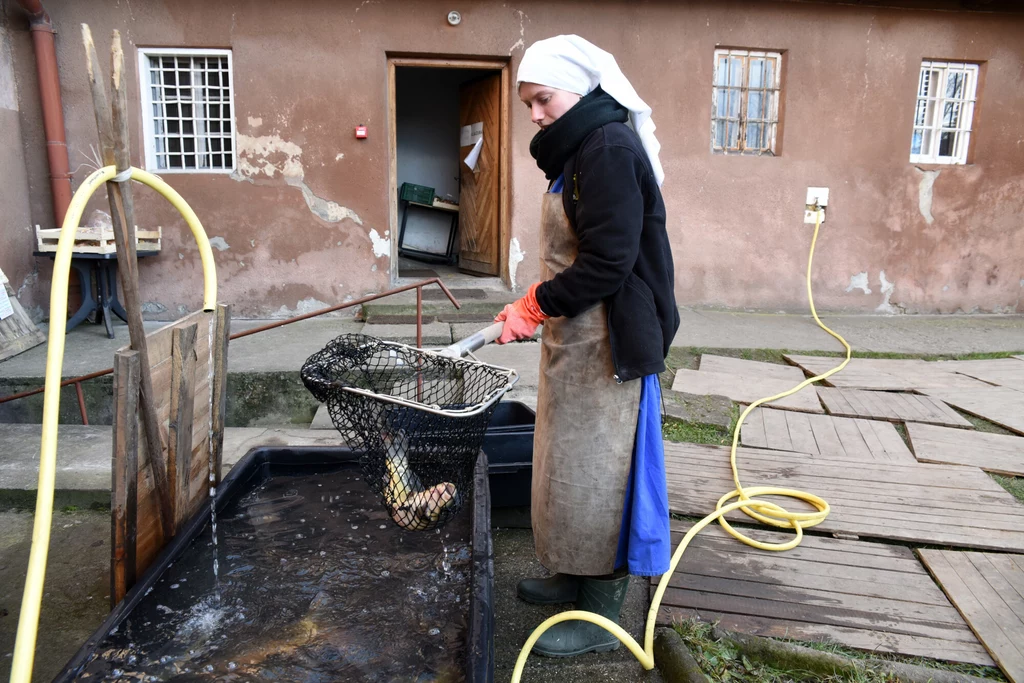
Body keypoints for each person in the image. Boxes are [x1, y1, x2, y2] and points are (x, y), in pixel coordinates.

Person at [494, 35, 680, 658]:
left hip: (610, 341)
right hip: (574, 335)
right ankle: (573, 573)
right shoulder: (577, 152)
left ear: (580, 91)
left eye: (542, 99)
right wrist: (541, 305)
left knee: (604, 474)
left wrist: (535, 304)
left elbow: (608, 262)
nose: (536, 114)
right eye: (529, 105)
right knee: (567, 464)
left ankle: (603, 612)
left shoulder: (607, 147)